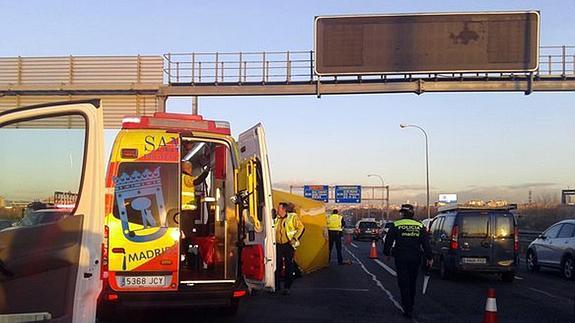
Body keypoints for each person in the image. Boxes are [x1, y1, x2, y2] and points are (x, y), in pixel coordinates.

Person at [383, 204, 432, 318]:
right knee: (412, 281)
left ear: (403, 213)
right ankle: (411, 304)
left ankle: (407, 307)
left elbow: (388, 241)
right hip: (415, 257)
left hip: (401, 257)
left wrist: (387, 253)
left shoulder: (396, 225)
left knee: (403, 282)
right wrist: (429, 257)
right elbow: (426, 243)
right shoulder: (419, 226)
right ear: (412, 213)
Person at [274, 202, 305, 295]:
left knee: (289, 265)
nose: (277, 210)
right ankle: (276, 285)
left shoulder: (292, 217)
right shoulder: (276, 218)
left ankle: (287, 287)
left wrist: (295, 238)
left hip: (288, 245)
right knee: (277, 265)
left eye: (278, 208)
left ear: (284, 209)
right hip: (278, 244)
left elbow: (301, 228)